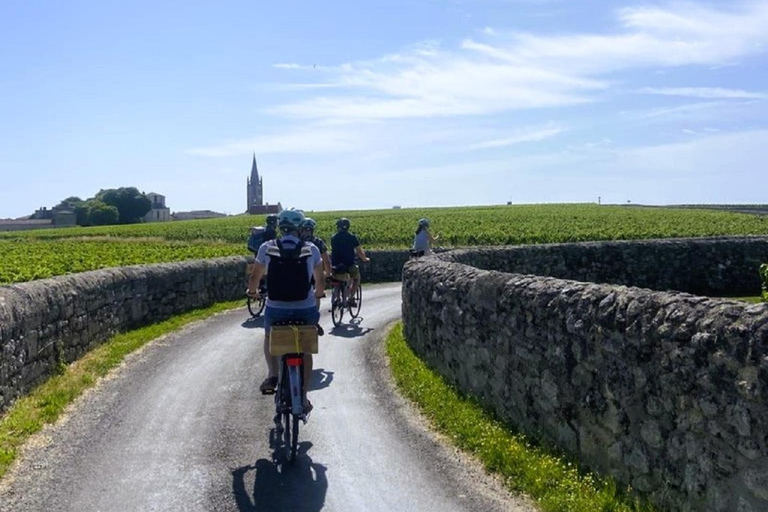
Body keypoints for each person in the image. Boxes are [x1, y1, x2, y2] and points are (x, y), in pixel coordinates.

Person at [247, 209, 325, 411]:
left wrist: (252, 291)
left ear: (281, 227)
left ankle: (272, 374)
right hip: (305, 308)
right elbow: (320, 279)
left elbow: (255, 275)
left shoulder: (267, 247)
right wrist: (318, 293)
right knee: (305, 350)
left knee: (268, 336)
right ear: (300, 228)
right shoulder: (311, 249)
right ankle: (304, 396)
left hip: (276, 307)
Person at [330, 217, 370, 307]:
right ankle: (351, 298)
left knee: (336, 279)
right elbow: (359, 252)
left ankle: (337, 298)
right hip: (349, 265)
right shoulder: (352, 237)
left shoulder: (334, 238)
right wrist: (365, 259)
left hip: (336, 266)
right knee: (357, 278)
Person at [300, 218, 332, 310]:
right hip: (314, 274)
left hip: (298, 273)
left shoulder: (297, 241)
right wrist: (328, 273)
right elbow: (326, 261)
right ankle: (314, 318)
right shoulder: (318, 242)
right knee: (317, 295)